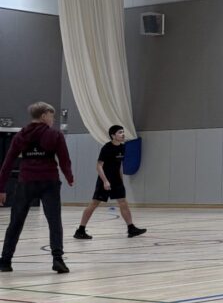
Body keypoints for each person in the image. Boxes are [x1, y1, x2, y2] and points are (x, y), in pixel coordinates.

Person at [0, 102, 75, 273]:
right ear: (43, 116)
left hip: (26, 182)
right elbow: (64, 159)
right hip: (49, 182)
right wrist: (69, 176)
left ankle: (5, 261)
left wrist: (1, 188)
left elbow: (8, 162)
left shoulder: (20, 135)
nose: (53, 119)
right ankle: (58, 259)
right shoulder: (55, 135)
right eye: (51, 115)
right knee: (54, 221)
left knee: (15, 222)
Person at [73, 125, 147, 240]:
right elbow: (99, 166)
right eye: (120, 133)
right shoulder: (107, 148)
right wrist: (105, 181)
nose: (122, 134)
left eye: (123, 132)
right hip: (104, 180)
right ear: (113, 136)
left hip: (117, 181)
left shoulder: (122, 147)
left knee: (123, 202)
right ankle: (80, 230)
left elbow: (119, 166)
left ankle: (131, 228)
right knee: (94, 204)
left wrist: (121, 181)